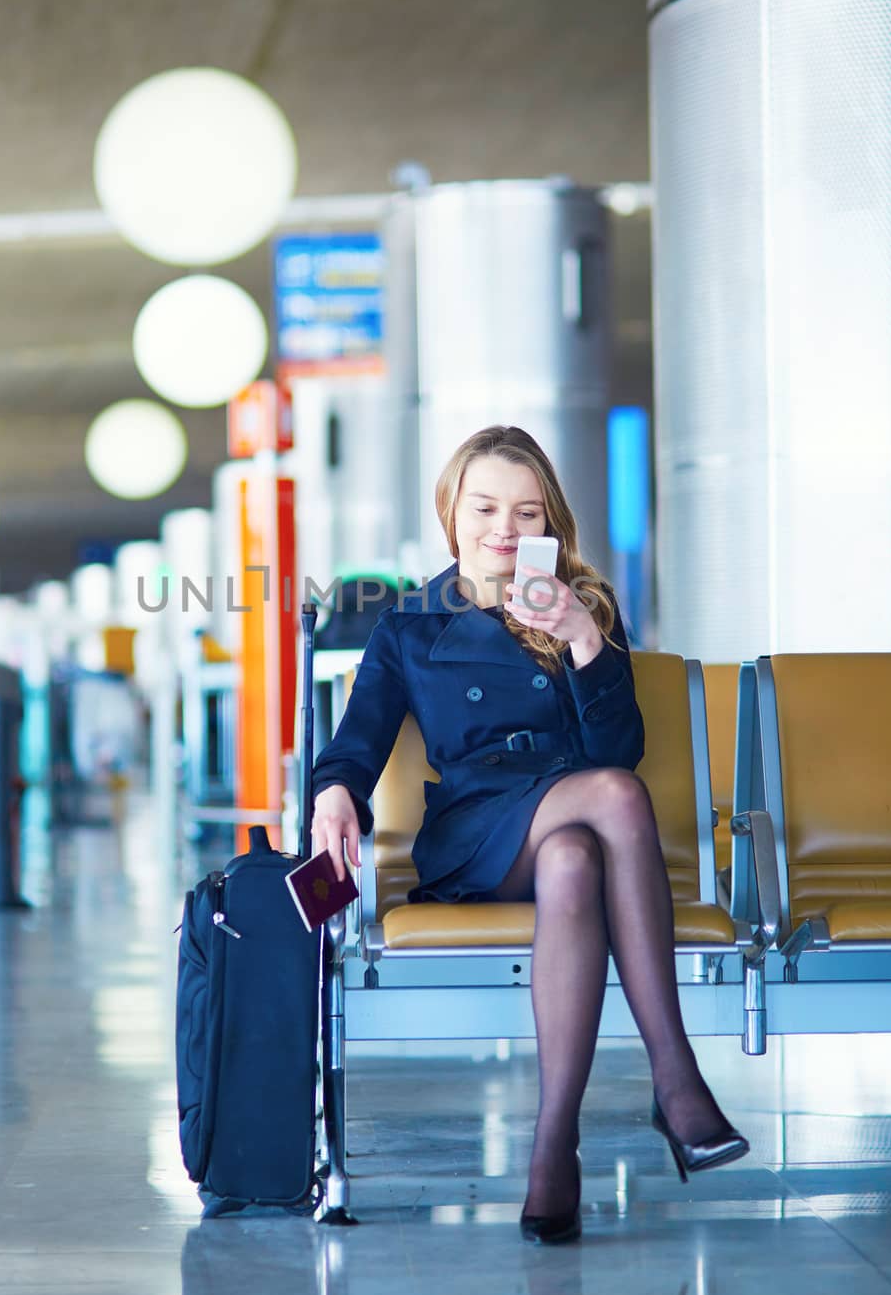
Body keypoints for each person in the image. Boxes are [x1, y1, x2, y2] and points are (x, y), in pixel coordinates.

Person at [311, 425, 748, 1244]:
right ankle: (676, 1079)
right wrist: (333, 793)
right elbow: (355, 741)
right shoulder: (408, 625)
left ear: (548, 522)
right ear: (452, 510)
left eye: (523, 511)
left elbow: (617, 747)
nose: (502, 529)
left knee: (577, 858)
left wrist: (583, 638)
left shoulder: (585, 606)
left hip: (568, 819)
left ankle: (554, 1149)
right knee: (615, 799)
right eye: (483, 507)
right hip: (475, 832)